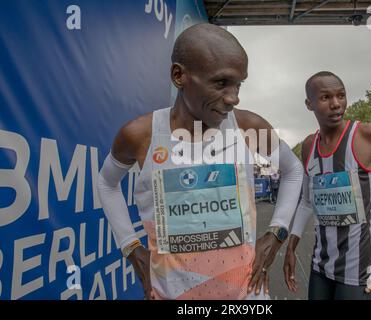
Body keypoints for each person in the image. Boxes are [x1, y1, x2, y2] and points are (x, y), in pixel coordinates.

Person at [97, 23, 303, 300]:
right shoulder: (140, 135)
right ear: (179, 75)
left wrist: (276, 234)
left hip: (245, 295)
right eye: (221, 83)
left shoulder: (247, 127)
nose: (233, 98)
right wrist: (130, 247)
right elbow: (106, 184)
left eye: (238, 84)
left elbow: (293, 171)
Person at [283, 71, 371, 300]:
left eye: (341, 96)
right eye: (326, 98)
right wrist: (291, 245)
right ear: (310, 104)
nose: (336, 104)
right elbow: (307, 202)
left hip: (362, 269)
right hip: (321, 265)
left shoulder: (369, 135)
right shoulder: (309, 146)